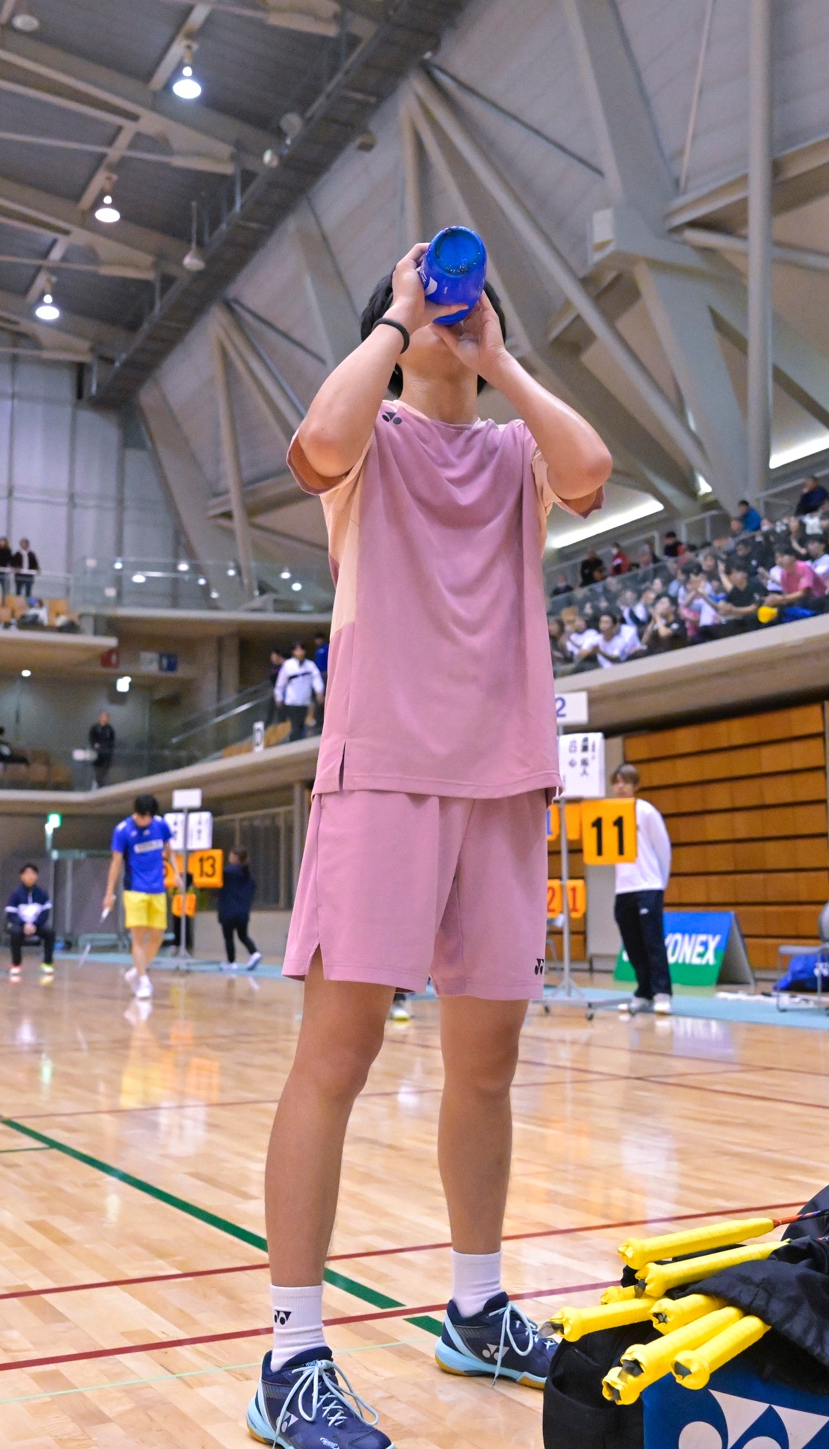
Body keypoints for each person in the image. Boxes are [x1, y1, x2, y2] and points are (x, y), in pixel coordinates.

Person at [250, 236, 609, 1448]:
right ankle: (290, 1356)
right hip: (384, 774)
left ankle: (476, 1305)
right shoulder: (371, 441)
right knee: (337, 1053)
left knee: (488, 1062)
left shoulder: (515, 453)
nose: (456, 310)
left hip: (503, 779)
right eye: (431, 302)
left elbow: (592, 470)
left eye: (468, 301)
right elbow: (317, 441)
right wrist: (399, 322)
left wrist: (500, 360)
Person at [607, 763, 675, 1014]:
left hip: (648, 887)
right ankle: (644, 991)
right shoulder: (609, 814)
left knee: (653, 942)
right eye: (616, 782)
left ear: (635, 786)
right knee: (632, 944)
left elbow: (663, 848)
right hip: (623, 889)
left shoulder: (646, 811)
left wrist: (659, 883)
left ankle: (662, 992)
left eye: (625, 782)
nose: (620, 786)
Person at [100, 792, 176, 1001]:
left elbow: (170, 851)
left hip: (158, 889)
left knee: (157, 937)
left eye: (150, 817)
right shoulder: (123, 830)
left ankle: (136, 970)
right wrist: (109, 893)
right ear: (136, 813)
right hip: (135, 890)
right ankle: (143, 980)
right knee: (138, 937)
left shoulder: (161, 825)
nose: (146, 820)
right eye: (143, 817)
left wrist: (177, 873)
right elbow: (116, 862)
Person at [4, 863, 53, 981]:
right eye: (27, 874)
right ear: (21, 876)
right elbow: (11, 914)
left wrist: (35, 924)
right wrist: (24, 924)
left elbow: (45, 913)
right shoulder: (15, 894)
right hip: (20, 925)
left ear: (37, 876)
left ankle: (47, 963)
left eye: (32, 873)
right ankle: (16, 964)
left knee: (50, 933)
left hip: (36, 925)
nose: (30, 876)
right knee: (15, 933)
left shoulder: (42, 894)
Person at [218, 847, 261, 970]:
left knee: (228, 937)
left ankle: (231, 963)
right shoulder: (248, 876)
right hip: (243, 912)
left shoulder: (227, 872)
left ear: (235, 857)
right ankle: (254, 953)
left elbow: (216, 882)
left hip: (228, 910)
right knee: (243, 935)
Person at [274, 643, 323, 738]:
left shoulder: (310, 665)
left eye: (301, 649)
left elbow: (316, 678)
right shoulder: (288, 665)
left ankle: (297, 740)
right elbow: (280, 684)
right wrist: (278, 698)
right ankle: (294, 740)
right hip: (292, 701)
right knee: (296, 724)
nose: (299, 652)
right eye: (297, 650)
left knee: (301, 724)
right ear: (293, 652)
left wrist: (319, 691)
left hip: (305, 701)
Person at [87, 710, 116, 787]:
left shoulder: (110, 729)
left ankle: (102, 786)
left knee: (105, 772)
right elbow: (92, 739)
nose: (105, 718)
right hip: (97, 755)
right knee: (97, 772)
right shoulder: (95, 728)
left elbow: (112, 741)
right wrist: (95, 745)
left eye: (106, 717)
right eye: (103, 716)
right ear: (100, 717)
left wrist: (108, 749)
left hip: (107, 755)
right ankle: (97, 785)